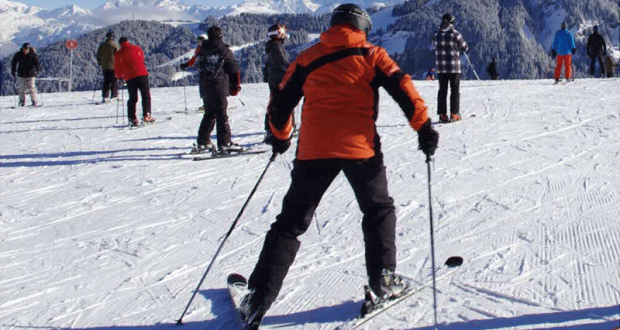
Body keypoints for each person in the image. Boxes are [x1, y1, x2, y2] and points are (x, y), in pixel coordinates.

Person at [238, 4, 438, 328]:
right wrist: (423, 128)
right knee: (378, 211)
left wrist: (281, 136)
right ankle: (383, 283)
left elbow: (281, 101)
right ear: (362, 27)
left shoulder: (308, 57)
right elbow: (403, 87)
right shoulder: (371, 54)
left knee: (290, 224)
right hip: (361, 148)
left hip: (314, 150)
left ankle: (257, 300)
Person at [192, 26, 241, 153]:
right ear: (220, 36)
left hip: (205, 88)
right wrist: (235, 86)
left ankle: (202, 142)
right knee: (221, 115)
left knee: (209, 114)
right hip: (219, 87)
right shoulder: (224, 50)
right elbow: (232, 69)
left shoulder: (202, 49)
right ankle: (224, 143)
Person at [433, 13, 468, 123]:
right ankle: (454, 113)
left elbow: (434, 44)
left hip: (441, 67)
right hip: (453, 67)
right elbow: (465, 47)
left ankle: (442, 115)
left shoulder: (436, 34)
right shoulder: (455, 34)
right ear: (452, 22)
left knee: (442, 90)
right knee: (455, 90)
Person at [114, 37, 155, 126]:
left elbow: (117, 67)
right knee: (145, 96)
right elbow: (142, 58)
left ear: (120, 44)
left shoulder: (118, 54)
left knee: (133, 98)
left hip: (130, 78)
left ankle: (132, 118)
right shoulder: (137, 48)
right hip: (142, 74)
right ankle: (147, 115)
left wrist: (120, 77)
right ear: (128, 42)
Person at [263, 23, 291, 140]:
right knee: (279, 105)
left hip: (275, 79)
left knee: (275, 103)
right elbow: (283, 62)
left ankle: (273, 128)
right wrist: (293, 70)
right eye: (282, 33)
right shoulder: (276, 47)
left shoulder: (273, 46)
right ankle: (274, 129)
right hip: (279, 79)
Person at [180, 34, 209, 111]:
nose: (199, 42)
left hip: (209, 71)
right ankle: (206, 104)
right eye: (198, 40)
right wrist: (186, 65)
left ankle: (210, 104)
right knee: (203, 88)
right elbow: (193, 59)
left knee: (208, 88)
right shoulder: (198, 49)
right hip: (202, 71)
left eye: (201, 40)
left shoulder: (208, 48)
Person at [97, 31, 119, 103]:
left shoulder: (102, 45)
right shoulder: (114, 45)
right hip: (113, 66)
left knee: (106, 81)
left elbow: (98, 55)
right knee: (114, 81)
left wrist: (100, 63)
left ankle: (105, 96)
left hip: (104, 66)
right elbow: (118, 55)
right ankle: (114, 95)